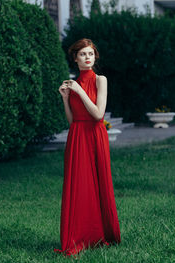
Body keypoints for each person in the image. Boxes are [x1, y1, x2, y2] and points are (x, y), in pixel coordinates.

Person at [54, 38, 121, 257]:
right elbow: (73, 121)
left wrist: (80, 91)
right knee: (79, 185)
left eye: (90, 54)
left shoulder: (101, 80)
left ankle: (101, 234)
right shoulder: (71, 85)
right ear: (75, 58)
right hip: (77, 136)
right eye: (82, 54)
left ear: (95, 57)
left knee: (97, 183)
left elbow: (98, 114)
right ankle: (79, 236)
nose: (87, 57)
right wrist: (66, 98)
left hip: (95, 135)